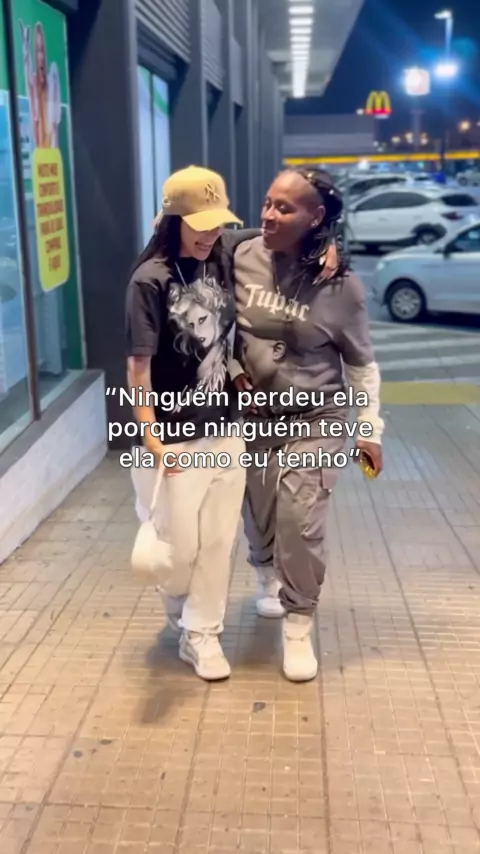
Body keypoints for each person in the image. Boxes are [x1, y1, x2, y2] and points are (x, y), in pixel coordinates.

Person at [227, 166, 384, 683]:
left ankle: (299, 623)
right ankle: (265, 573)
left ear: (315, 218)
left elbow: (361, 366)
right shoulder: (239, 254)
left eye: (284, 207)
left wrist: (369, 429)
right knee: (259, 513)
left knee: (300, 517)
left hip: (317, 416)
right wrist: (231, 367)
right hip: (254, 416)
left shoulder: (340, 286)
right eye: (267, 203)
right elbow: (214, 322)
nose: (269, 215)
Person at [125, 165, 256, 682]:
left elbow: (273, 237)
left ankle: (201, 634)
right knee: (179, 555)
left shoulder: (220, 252)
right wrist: (150, 436)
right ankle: (180, 604)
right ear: (173, 220)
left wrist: (328, 246)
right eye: (200, 224)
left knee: (220, 540)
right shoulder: (149, 281)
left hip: (225, 428)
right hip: (174, 438)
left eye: (218, 222)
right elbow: (138, 367)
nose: (210, 234)